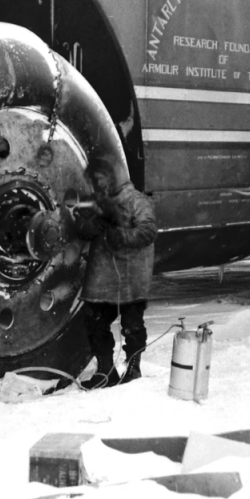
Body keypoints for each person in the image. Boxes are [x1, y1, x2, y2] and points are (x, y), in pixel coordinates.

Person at [74, 157, 157, 389]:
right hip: (102, 278)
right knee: (94, 322)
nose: (98, 185)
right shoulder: (98, 204)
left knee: (132, 324)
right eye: (95, 181)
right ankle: (105, 370)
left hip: (131, 276)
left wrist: (122, 235)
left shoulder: (137, 201)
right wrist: (95, 223)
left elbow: (148, 230)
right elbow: (83, 230)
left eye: (101, 179)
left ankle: (133, 367)